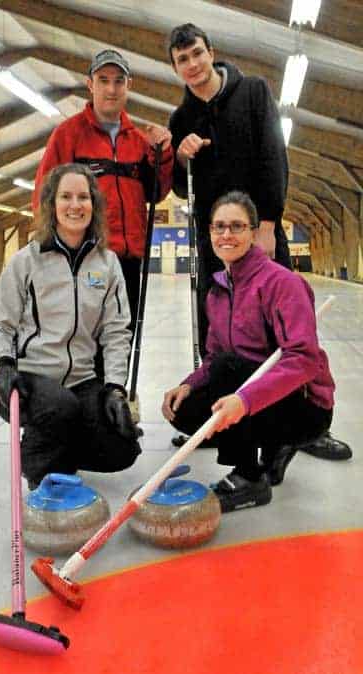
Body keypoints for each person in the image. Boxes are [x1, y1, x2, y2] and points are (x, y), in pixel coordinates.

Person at [167, 23, 351, 462]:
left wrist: (268, 223)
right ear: (174, 68)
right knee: (218, 333)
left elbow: (274, 156)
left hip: (259, 231)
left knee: (285, 325)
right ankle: (220, 410)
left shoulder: (253, 93)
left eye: (196, 54)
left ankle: (301, 423)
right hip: (214, 243)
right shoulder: (181, 119)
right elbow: (179, 187)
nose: (192, 65)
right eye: (182, 60)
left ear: (211, 52)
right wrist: (180, 155)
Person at [162, 191, 339, 513]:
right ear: (210, 233)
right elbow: (214, 356)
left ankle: (249, 478)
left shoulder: (282, 283)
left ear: (254, 233)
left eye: (237, 226)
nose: (226, 235)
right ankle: (275, 446)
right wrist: (188, 383)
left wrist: (244, 401)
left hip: (304, 406)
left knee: (229, 372)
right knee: (187, 408)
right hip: (251, 391)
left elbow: (304, 358)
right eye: (219, 227)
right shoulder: (218, 291)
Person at [0, 163, 141, 489]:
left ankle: (62, 453)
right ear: (51, 205)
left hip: (81, 380)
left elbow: (115, 332)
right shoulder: (27, 260)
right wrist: (0, 366)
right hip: (29, 379)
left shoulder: (107, 263)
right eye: (65, 196)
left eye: (83, 197)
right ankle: (39, 469)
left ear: (93, 206)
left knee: (121, 447)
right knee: (60, 406)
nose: (75, 205)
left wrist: (114, 388)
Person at [33, 49, 173, 343]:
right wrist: (49, 249)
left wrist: (164, 154)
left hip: (130, 259)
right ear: (90, 84)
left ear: (128, 85)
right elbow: (44, 194)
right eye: (104, 80)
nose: (111, 89)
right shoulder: (67, 134)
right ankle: (85, 391)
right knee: (84, 340)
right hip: (85, 256)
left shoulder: (139, 139)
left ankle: (115, 390)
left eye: (119, 81)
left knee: (122, 338)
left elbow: (157, 192)